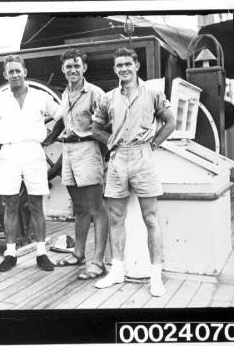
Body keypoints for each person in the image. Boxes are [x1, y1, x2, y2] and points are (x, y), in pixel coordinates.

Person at [92, 48, 176, 296]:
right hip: (118, 159)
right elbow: (96, 128)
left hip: (143, 157)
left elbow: (170, 121)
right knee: (116, 217)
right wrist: (111, 143)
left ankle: (155, 276)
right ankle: (117, 271)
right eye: (119, 65)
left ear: (137, 65)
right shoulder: (108, 98)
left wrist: (153, 144)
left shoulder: (152, 93)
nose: (123, 69)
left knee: (150, 218)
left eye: (127, 64)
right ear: (115, 69)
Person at [0, 55, 61, 272]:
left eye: (18, 70)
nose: (14, 75)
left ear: (25, 71)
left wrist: (51, 138)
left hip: (34, 151)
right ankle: (10, 252)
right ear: (5, 75)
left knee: (36, 204)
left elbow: (62, 114)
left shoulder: (41, 96)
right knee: (10, 204)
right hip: (9, 151)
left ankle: (41, 252)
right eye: (10, 72)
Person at [52, 49, 109, 280]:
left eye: (77, 66)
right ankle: (78, 254)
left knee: (97, 208)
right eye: (68, 67)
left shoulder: (95, 93)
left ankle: (98, 261)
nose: (73, 70)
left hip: (88, 148)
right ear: (63, 70)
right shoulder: (65, 94)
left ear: (84, 68)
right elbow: (60, 122)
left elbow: (108, 125)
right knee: (79, 208)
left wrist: (102, 153)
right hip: (69, 150)